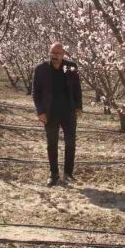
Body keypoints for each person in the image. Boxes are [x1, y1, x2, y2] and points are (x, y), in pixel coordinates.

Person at [32, 42, 82, 186]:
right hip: (50, 112)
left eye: (58, 54)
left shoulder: (70, 67)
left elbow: (77, 88)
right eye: (53, 53)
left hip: (68, 112)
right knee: (52, 143)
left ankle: (68, 173)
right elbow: (36, 93)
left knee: (70, 143)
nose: (55, 56)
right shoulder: (41, 69)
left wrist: (78, 106)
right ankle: (54, 174)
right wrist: (40, 111)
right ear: (49, 53)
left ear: (63, 54)